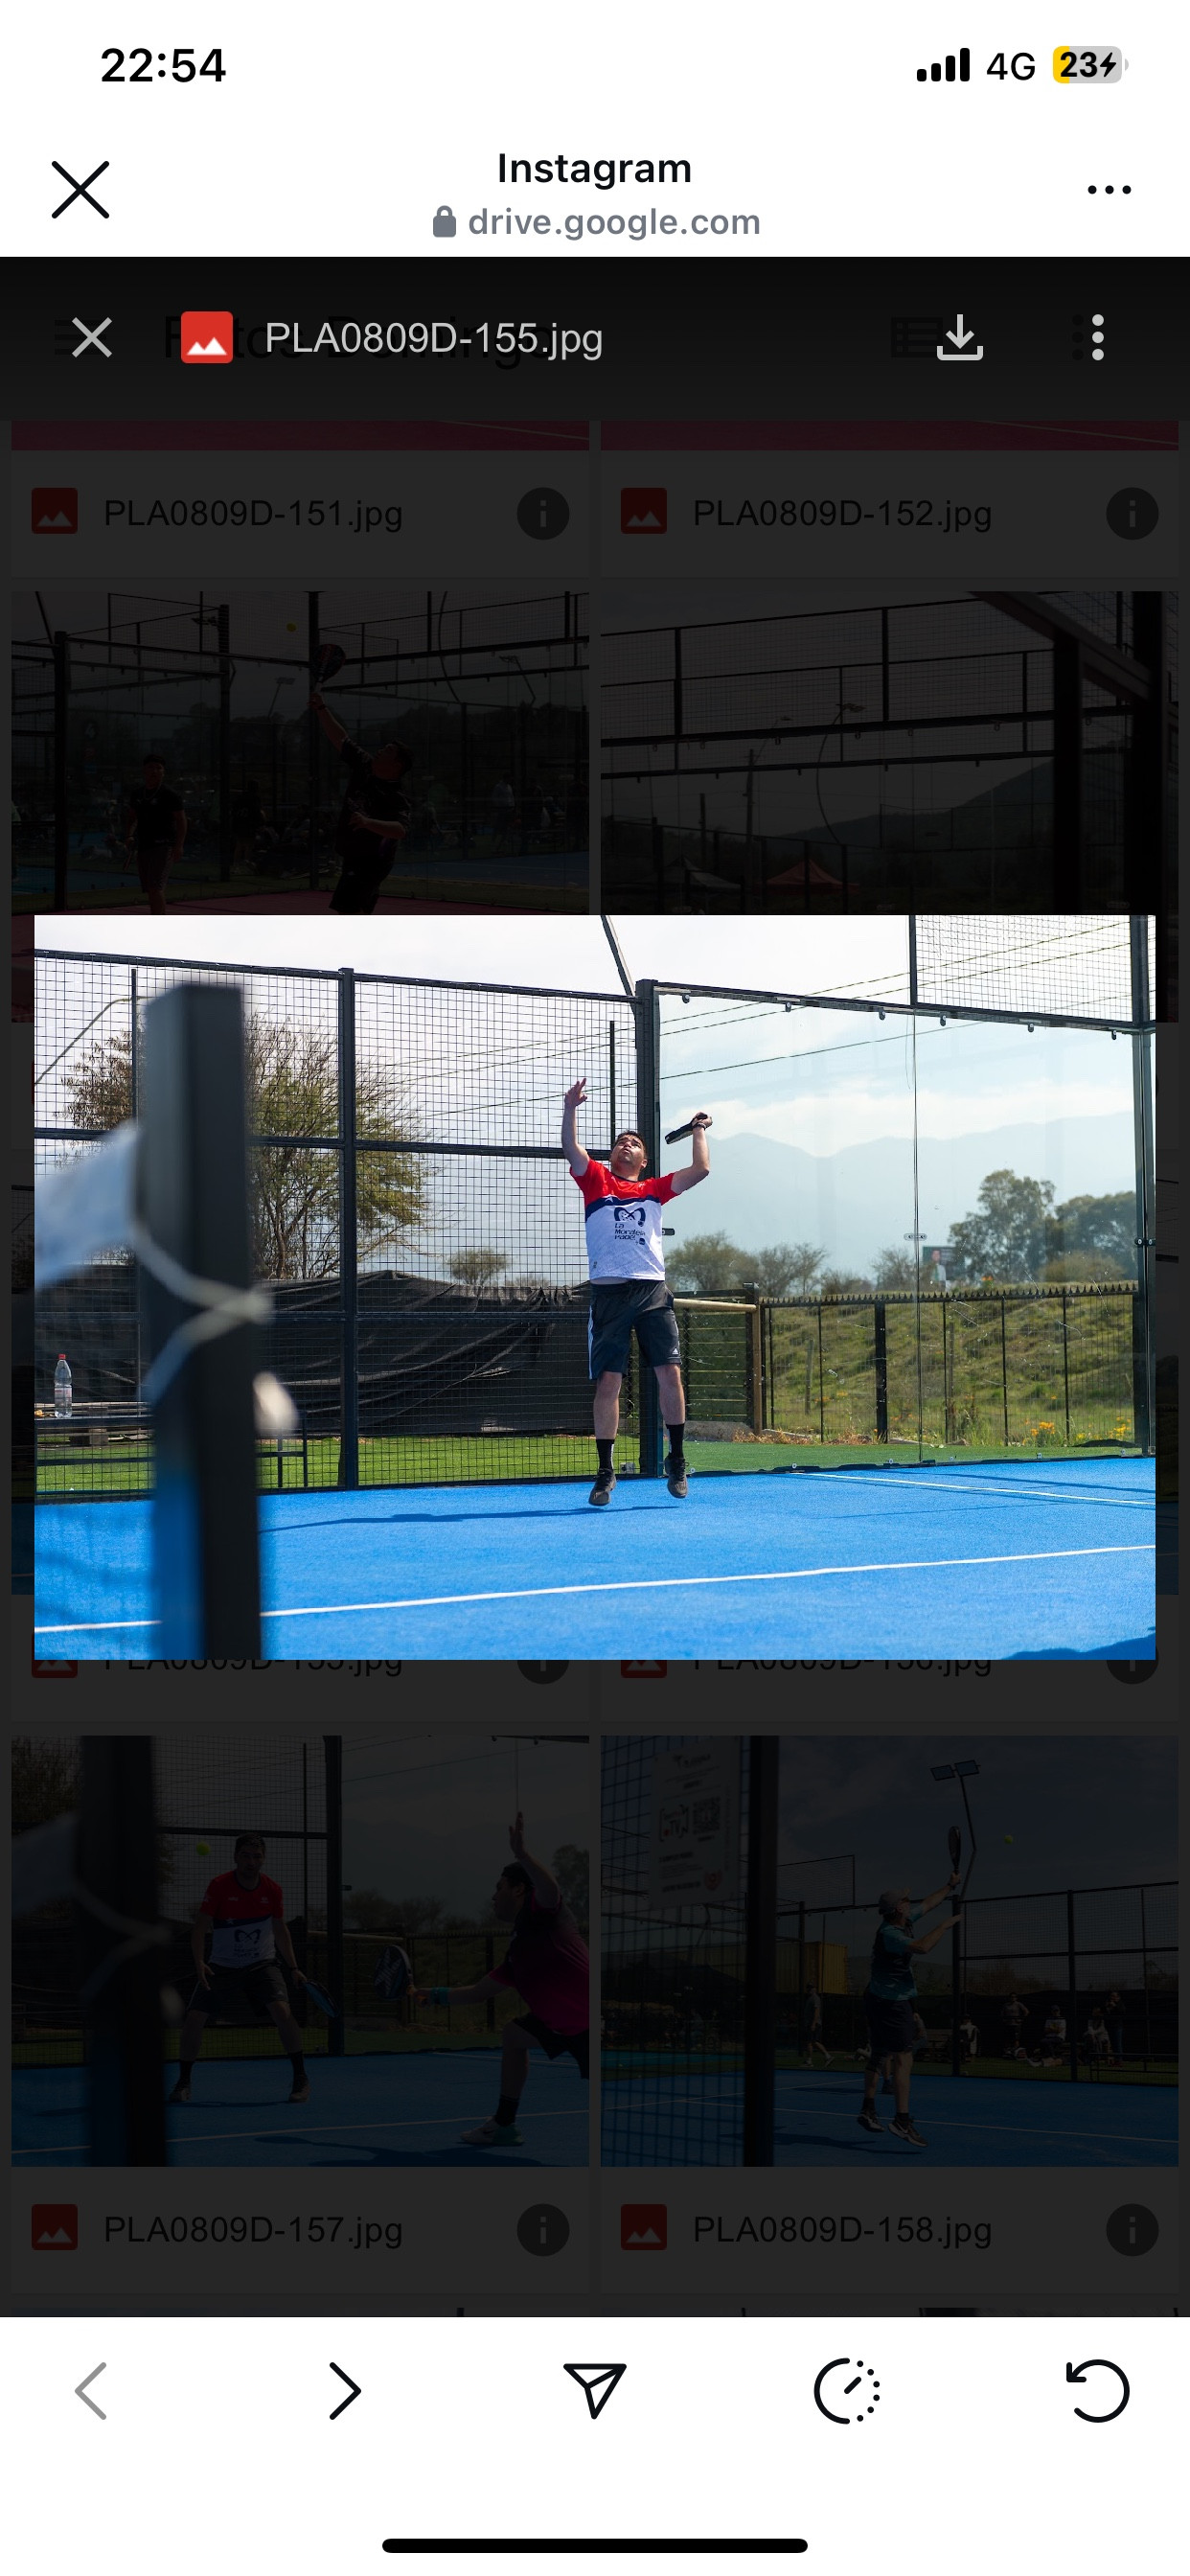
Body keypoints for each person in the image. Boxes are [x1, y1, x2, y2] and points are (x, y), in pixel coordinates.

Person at [561, 1076, 710, 1504]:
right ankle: (605, 1472)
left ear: (644, 1160)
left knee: (670, 1373)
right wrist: (570, 1108)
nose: (626, 1145)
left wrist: (698, 1130)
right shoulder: (596, 1180)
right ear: (611, 1156)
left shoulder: (654, 1190)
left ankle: (676, 1459)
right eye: (620, 1143)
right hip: (609, 1296)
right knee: (609, 1381)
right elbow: (571, 1149)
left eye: (634, 1143)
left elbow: (701, 1170)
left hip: (651, 1294)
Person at [415, 1814, 589, 2149]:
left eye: (499, 1888)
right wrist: (432, 1995)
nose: (493, 1896)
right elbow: (478, 1993)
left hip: (591, 2026)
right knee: (513, 2034)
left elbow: (551, 1889)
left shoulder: (542, 1912)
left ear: (519, 1889)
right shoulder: (518, 1951)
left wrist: (522, 1854)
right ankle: (504, 2126)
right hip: (560, 2027)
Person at [171, 1833, 309, 2105]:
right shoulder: (219, 1886)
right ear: (236, 1857)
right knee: (194, 2017)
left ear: (263, 1859)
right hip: (222, 1966)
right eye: (245, 1856)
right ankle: (183, 2082)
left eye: (256, 1856)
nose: (251, 1862)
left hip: (262, 1964)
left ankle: (301, 2079)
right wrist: (199, 1962)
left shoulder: (272, 1889)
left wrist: (294, 1967)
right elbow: (200, 1928)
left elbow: (280, 1929)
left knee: (282, 2012)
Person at [858, 1876, 962, 2147]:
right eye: (905, 1900)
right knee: (904, 2058)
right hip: (892, 2003)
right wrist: (944, 1925)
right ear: (899, 1909)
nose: (909, 1901)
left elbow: (928, 1903)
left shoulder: (903, 1920)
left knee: (879, 2054)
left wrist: (950, 1886)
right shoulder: (891, 1934)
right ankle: (901, 2121)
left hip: (876, 1997)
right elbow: (923, 1947)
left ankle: (868, 2109)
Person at [309, 688, 413, 911]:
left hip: (372, 862)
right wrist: (321, 708)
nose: (380, 751)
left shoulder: (396, 796)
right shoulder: (365, 765)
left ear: (396, 765)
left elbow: (400, 830)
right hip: (353, 855)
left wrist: (368, 823)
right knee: (358, 912)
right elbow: (341, 738)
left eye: (387, 751)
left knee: (348, 912)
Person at [125, 754, 186, 911]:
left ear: (163, 772)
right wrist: (129, 835)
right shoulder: (137, 794)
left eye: (158, 768)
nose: (154, 771)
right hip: (144, 845)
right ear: (144, 770)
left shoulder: (170, 795)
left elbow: (181, 821)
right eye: (151, 767)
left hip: (164, 846)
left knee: (155, 887)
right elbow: (132, 817)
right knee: (149, 889)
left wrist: (179, 846)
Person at [802, 1985, 832, 2067]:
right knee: (813, 2042)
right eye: (808, 1988)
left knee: (810, 2042)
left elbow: (817, 2011)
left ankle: (810, 2061)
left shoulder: (815, 1998)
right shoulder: (811, 1998)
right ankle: (827, 2056)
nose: (809, 1990)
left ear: (814, 1989)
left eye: (811, 1988)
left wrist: (813, 2023)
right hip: (811, 2023)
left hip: (814, 2023)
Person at [1001, 1992, 1031, 2058]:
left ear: (1016, 1998)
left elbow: (1026, 2011)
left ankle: (1015, 2052)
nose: (1013, 1998)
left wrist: (1021, 2019)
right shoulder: (1006, 2005)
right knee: (1008, 2038)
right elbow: (1002, 2013)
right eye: (1011, 1997)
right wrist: (1004, 2020)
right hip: (1008, 2024)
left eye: (1014, 1997)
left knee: (1016, 2039)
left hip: (1016, 2024)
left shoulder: (1019, 2004)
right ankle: (1008, 2052)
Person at [1105, 1988, 1125, 2064]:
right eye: (1111, 1996)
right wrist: (1107, 2007)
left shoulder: (1120, 2004)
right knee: (1113, 2044)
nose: (1112, 1997)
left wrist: (1115, 2006)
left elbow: (1122, 2012)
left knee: (1118, 2044)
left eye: (1114, 1996)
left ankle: (1119, 2060)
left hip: (1117, 2027)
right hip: (1110, 2026)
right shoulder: (1109, 2004)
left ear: (1118, 1997)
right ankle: (1116, 2060)